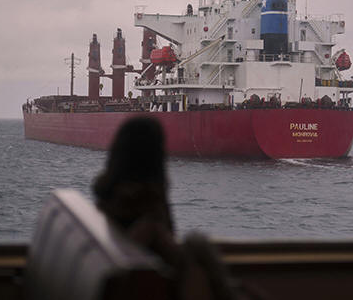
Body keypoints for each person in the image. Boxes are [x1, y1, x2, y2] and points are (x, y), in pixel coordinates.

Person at [93, 117, 264, 300]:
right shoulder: (147, 205)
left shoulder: (105, 197)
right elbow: (169, 256)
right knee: (197, 243)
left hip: (132, 281)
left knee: (196, 245)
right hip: (149, 285)